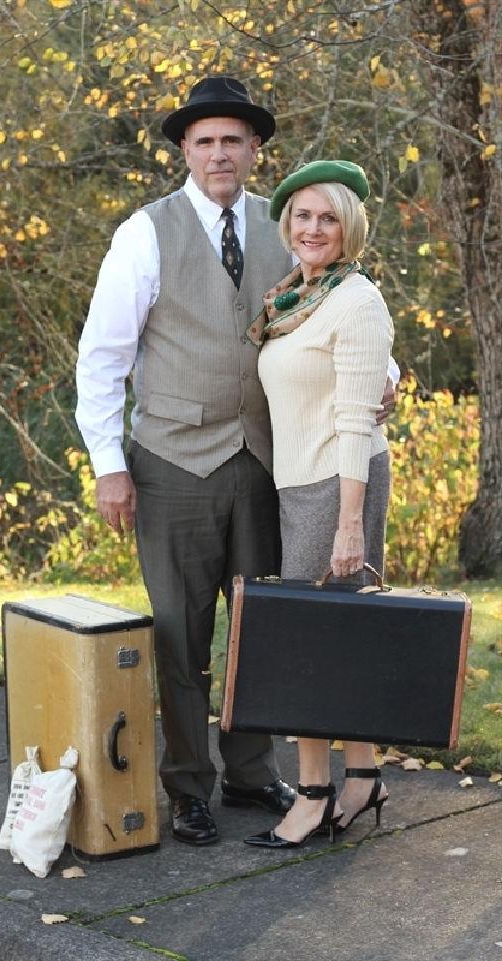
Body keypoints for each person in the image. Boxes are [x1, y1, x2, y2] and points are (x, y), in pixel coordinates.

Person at [76, 80, 393, 846]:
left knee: (266, 628)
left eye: (234, 140)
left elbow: (332, 306)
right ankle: (190, 786)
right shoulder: (144, 234)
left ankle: (253, 771)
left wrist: (380, 377)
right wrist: (108, 463)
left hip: (267, 464)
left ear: (255, 151)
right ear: (186, 150)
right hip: (173, 462)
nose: (220, 153)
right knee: (184, 636)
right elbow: (103, 356)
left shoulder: (286, 227)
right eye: (205, 140)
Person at [243, 160, 394, 850]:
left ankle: (312, 796)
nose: (312, 228)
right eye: (302, 216)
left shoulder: (355, 299)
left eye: (327, 217)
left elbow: (359, 418)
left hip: (338, 484)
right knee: (342, 636)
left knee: (308, 642)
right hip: (302, 483)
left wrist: (348, 523)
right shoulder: (298, 296)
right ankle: (362, 777)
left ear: (349, 227)